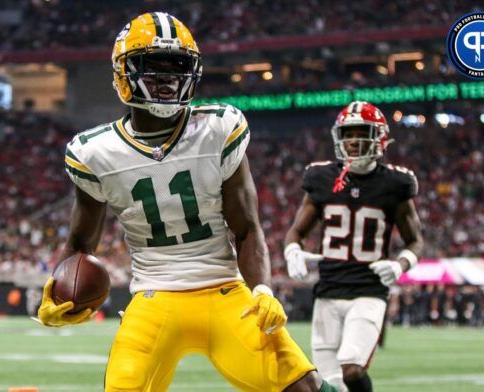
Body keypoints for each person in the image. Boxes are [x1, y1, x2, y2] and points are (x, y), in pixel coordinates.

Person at [35, 12, 337, 392]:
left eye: (177, 67)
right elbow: (80, 244)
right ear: (122, 74)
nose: (167, 80)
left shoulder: (218, 128)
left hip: (225, 290)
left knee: (303, 386)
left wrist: (262, 289)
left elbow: (246, 229)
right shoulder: (95, 152)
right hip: (153, 296)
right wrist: (60, 289)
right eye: (152, 68)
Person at [284, 101, 424, 392]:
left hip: (368, 290)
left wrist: (401, 264)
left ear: (380, 137)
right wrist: (292, 251)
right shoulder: (321, 178)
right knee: (328, 383)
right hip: (328, 291)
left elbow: (415, 239)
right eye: (348, 134)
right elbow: (296, 231)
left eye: (362, 133)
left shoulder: (395, 183)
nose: (354, 141)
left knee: (351, 369)